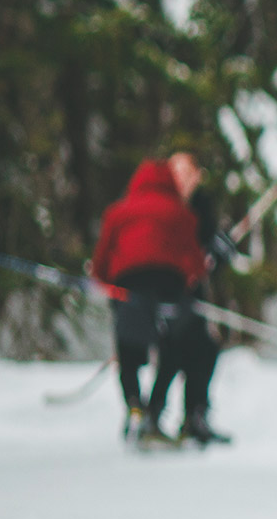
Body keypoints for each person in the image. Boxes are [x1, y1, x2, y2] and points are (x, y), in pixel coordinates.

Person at [89, 156, 211, 450]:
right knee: (173, 345)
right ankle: (155, 408)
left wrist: (105, 283)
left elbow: (102, 260)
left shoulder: (118, 212)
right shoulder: (181, 214)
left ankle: (135, 407)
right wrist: (192, 277)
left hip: (128, 286)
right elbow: (195, 262)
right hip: (169, 286)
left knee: (128, 351)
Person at [143, 152, 236, 445]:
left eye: (186, 172)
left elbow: (208, 255)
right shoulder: (157, 206)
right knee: (179, 351)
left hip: (191, 297)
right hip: (161, 294)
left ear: (197, 176)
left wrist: (220, 250)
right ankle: (163, 415)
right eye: (174, 172)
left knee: (200, 352)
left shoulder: (201, 207)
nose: (180, 179)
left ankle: (188, 416)